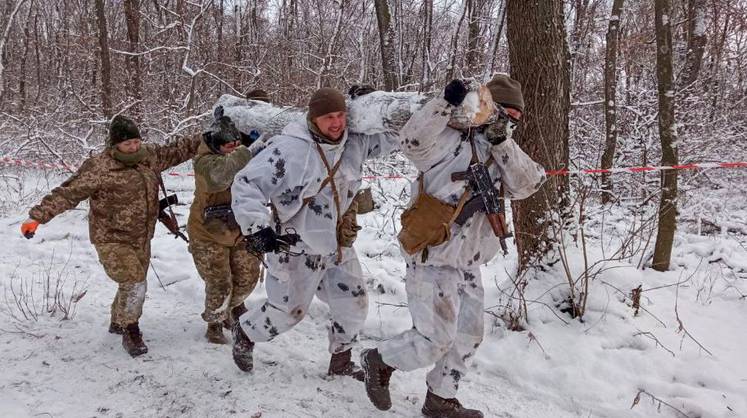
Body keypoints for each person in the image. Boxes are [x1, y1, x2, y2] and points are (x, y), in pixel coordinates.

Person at [360, 75, 546, 417]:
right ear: (488, 107)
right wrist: (444, 104)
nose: (510, 122)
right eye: (505, 113)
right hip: (434, 254)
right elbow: (412, 142)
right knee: (434, 339)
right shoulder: (447, 138)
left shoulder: (502, 147)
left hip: (469, 261)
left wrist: (502, 143)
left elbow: (528, 184)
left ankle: (440, 398)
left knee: (469, 335)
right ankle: (379, 360)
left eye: (516, 119)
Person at [229, 87, 398, 379]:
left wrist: (375, 103)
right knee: (286, 313)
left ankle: (341, 360)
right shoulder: (289, 149)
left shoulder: (354, 142)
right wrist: (257, 228)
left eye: (342, 115)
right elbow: (246, 183)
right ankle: (245, 331)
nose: (336, 123)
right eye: (328, 117)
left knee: (354, 303)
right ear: (313, 118)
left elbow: (395, 136)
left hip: (336, 245)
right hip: (295, 246)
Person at [20, 115, 200, 357]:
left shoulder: (149, 156)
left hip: (141, 236)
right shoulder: (100, 167)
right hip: (111, 238)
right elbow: (68, 193)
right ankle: (130, 330)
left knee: (131, 284)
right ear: (114, 145)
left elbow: (181, 149)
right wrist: (37, 217)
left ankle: (118, 321)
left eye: (136, 142)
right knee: (135, 283)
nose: (134, 148)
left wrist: (211, 137)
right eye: (127, 144)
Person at [187, 107, 262, 344]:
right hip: (207, 233)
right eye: (228, 145)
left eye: (236, 143)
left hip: (239, 229)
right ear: (216, 144)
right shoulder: (205, 161)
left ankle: (233, 307)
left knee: (248, 278)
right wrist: (247, 150)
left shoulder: (237, 150)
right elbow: (222, 175)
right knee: (220, 283)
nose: (233, 148)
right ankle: (215, 322)